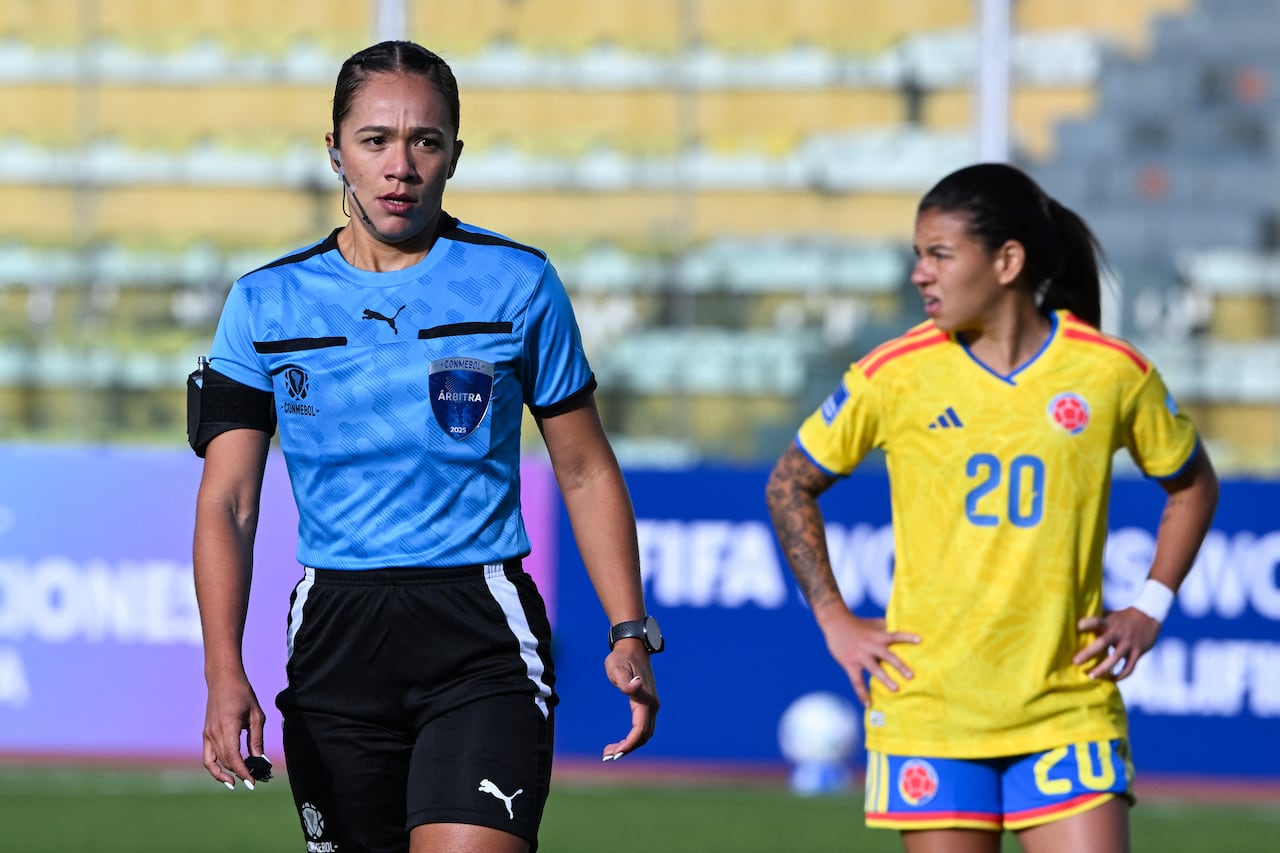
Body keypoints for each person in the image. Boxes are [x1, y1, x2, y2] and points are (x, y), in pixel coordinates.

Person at [189, 40, 662, 853]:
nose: (400, 166)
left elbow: (584, 468)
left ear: (454, 155)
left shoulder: (518, 282)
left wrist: (629, 628)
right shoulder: (264, 303)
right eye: (375, 140)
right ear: (335, 150)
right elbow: (230, 501)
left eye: (425, 142)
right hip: (335, 637)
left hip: (479, 632)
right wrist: (221, 668)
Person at [765, 163, 1218, 853]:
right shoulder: (894, 373)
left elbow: (1192, 484)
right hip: (931, 709)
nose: (920, 273)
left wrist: (1150, 605)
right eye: (918, 254)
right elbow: (788, 483)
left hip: (1067, 706)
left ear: (1007, 261)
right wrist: (834, 619)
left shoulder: (1109, 371)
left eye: (940, 255)